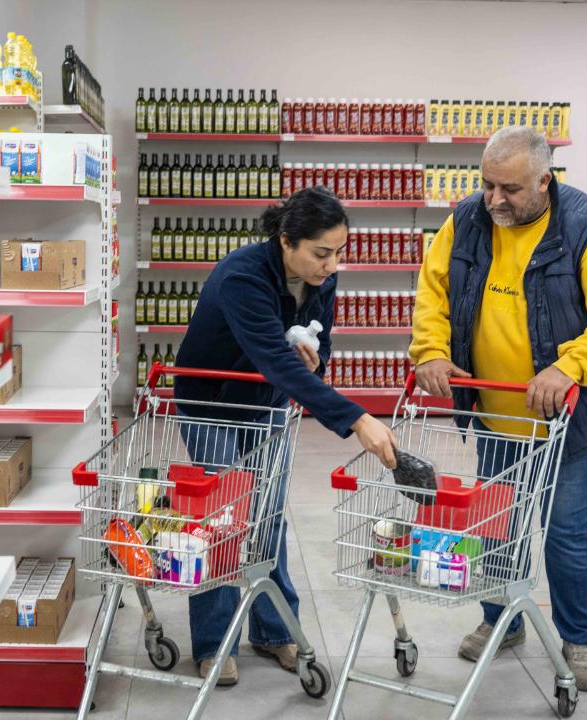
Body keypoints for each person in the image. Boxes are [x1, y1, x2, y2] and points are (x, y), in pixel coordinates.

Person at [409, 126, 587, 692]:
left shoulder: (586, 228)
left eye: (510, 189)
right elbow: (433, 290)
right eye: (488, 184)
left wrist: (571, 365)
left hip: (572, 417)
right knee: (496, 521)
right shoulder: (467, 219)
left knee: (565, 530)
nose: (495, 200)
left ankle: (582, 639)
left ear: (545, 180)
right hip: (496, 410)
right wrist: (431, 351)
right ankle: (501, 619)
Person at [173, 186, 398, 686]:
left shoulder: (321, 281)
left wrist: (318, 357)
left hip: (266, 408)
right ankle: (213, 643)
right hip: (210, 405)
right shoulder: (242, 276)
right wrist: (357, 418)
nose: (332, 265)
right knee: (221, 520)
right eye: (322, 253)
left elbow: (321, 344)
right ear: (286, 240)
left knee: (269, 518)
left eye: (339, 252)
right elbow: (272, 359)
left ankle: (274, 631)